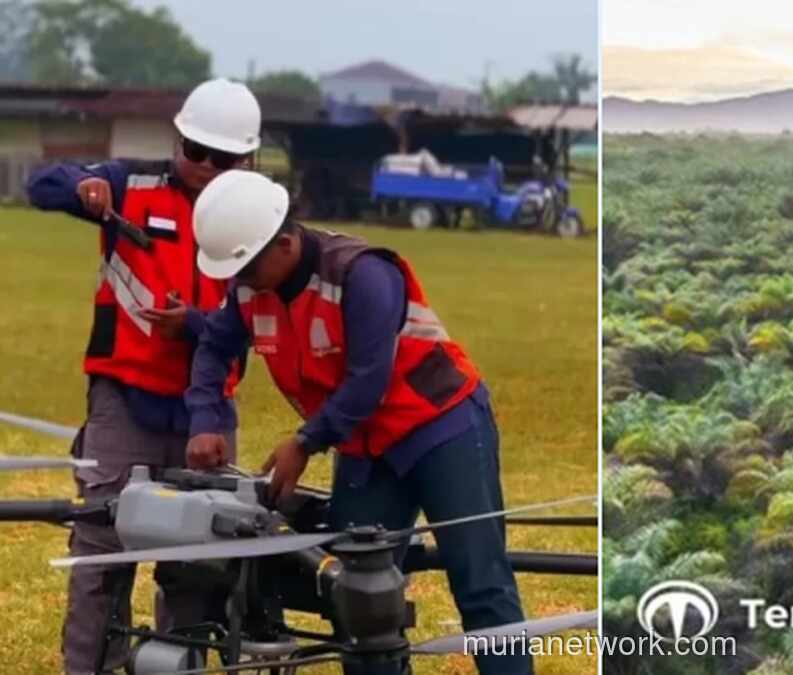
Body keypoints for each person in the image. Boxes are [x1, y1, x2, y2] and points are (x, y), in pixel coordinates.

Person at [184, 170, 533, 674]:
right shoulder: (248, 291)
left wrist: (305, 442)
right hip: (365, 448)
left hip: (442, 428)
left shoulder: (362, 274)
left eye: (247, 268)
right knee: (357, 599)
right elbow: (214, 346)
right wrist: (205, 419)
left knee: (481, 585)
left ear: (284, 245)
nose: (240, 281)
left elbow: (369, 379)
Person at [25, 78, 260, 674]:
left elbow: (261, 318)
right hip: (123, 400)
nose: (205, 167)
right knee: (101, 554)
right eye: (195, 151)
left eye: (222, 158)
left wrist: (197, 325)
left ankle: (176, 665)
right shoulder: (131, 185)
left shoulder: (257, 216)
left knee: (199, 560)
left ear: (247, 160)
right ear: (177, 141)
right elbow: (41, 185)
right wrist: (81, 185)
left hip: (208, 413)